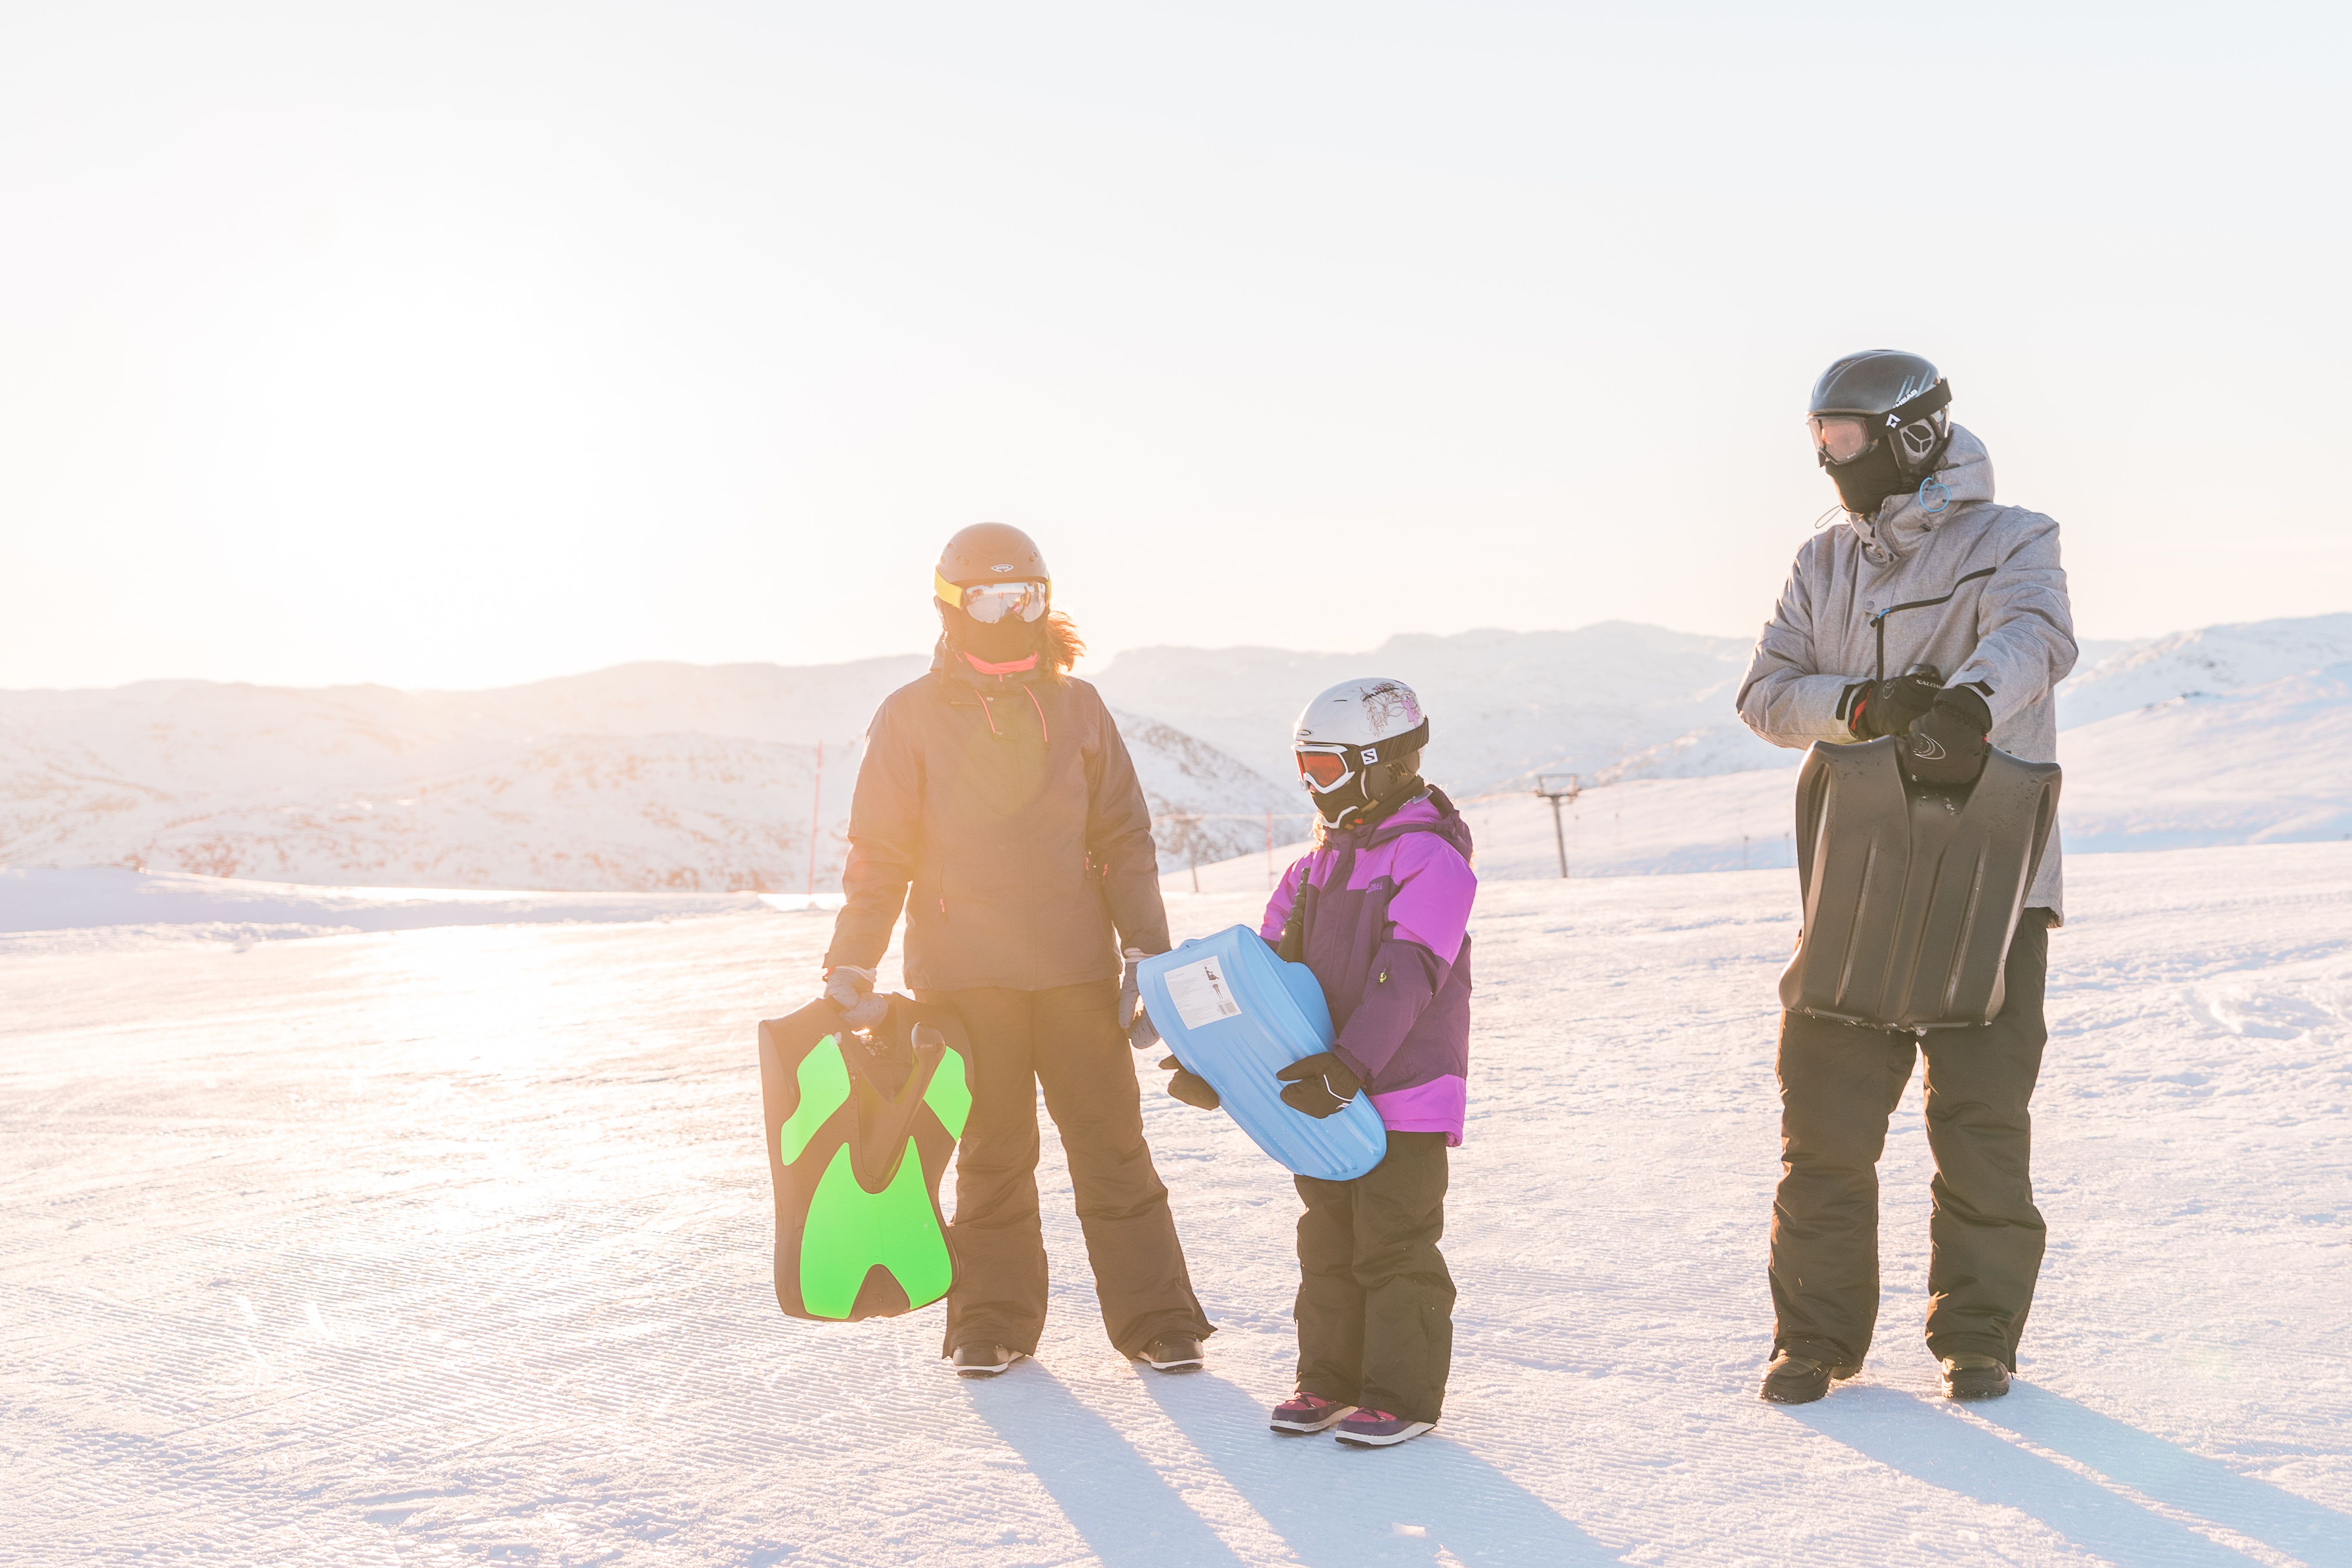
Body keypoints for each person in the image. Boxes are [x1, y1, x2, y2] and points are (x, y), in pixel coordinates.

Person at [1736, 351, 2078, 1404]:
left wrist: (1969, 702)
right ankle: (1815, 1340)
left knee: (1980, 1124)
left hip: (1990, 880)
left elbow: (2037, 636)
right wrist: (1864, 707)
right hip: (1857, 878)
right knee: (1825, 1126)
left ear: (1913, 436)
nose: (1831, 458)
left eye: (1846, 436)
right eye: (1820, 438)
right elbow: (1765, 692)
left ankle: (1977, 1339)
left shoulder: (2015, 537)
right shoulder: (1822, 562)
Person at [822, 522, 1213, 1378]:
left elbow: (1124, 838)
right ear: (953, 607)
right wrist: (853, 958)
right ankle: (990, 1323)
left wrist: (1147, 951)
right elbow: (881, 852)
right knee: (994, 1154)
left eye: (1028, 597)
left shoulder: (1078, 708)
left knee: (1113, 1148)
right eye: (994, 598)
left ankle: (1158, 1319)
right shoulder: (912, 717)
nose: (1013, 613)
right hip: (964, 980)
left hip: (1075, 972)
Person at [1162, 678, 1475, 1447]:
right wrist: (1220, 1066)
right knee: (1328, 1239)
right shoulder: (1313, 869)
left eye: (1326, 768)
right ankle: (1329, 1382)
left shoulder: (1433, 859)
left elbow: (1410, 973)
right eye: (1303, 766)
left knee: (1394, 1242)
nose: (1310, 785)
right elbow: (1257, 977)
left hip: (1400, 1090)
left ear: (1383, 764)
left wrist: (1351, 1064)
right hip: (1323, 1092)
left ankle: (1400, 1395)